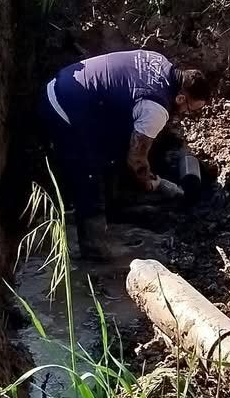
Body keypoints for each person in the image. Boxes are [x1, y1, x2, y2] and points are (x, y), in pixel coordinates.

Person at [39, 49, 212, 256]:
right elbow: (136, 159)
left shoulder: (160, 61)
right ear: (181, 99)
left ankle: (113, 209)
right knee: (88, 173)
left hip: (66, 84)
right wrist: (152, 183)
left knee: (114, 149)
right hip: (63, 106)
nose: (186, 115)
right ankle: (94, 248)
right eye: (190, 110)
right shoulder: (155, 109)